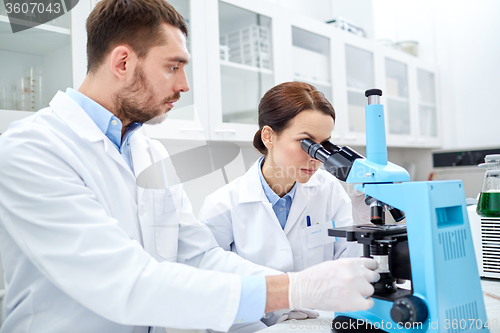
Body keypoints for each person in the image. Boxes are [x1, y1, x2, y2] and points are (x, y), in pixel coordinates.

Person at [0, 1, 380, 332]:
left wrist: (299, 283)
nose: (184, 85)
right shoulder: (33, 149)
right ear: (122, 61)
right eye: (173, 66)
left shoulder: (149, 154)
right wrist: (292, 290)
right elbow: (123, 282)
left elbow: (199, 256)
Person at [199, 82, 366, 330]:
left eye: (325, 145)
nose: (316, 157)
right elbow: (210, 289)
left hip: (322, 324)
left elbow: (352, 268)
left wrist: (362, 222)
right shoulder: (223, 204)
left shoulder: (329, 191)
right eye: (307, 143)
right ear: (269, 136)